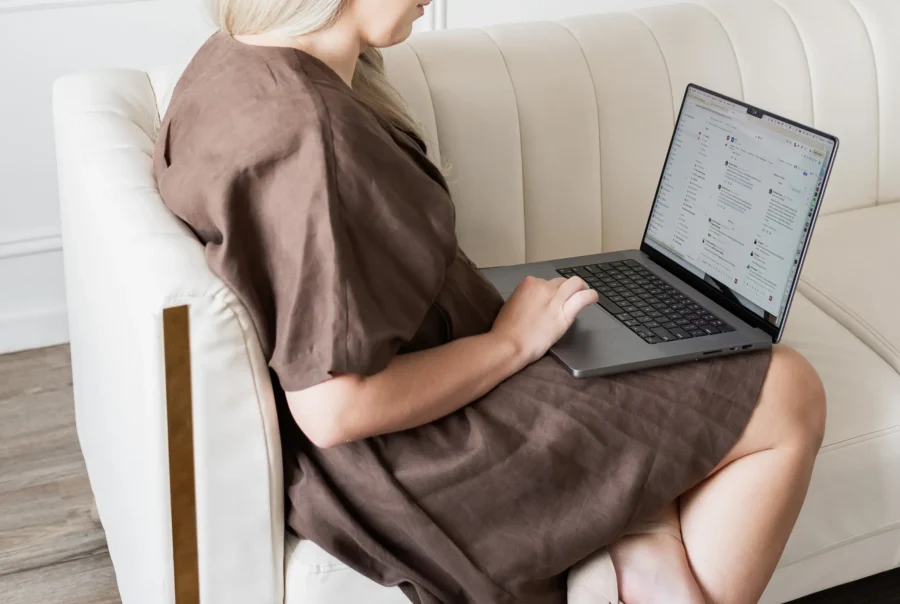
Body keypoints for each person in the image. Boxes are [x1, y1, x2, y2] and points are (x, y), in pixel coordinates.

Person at [153, 1, 827, 602]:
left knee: (636, 352)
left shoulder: (233, 61)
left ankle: (635, 543)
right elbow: (334, 407)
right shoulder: (313, 137)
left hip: (394, 432)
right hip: (416, 466)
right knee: (788, 387)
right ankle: (633, 550)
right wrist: (508, 344)